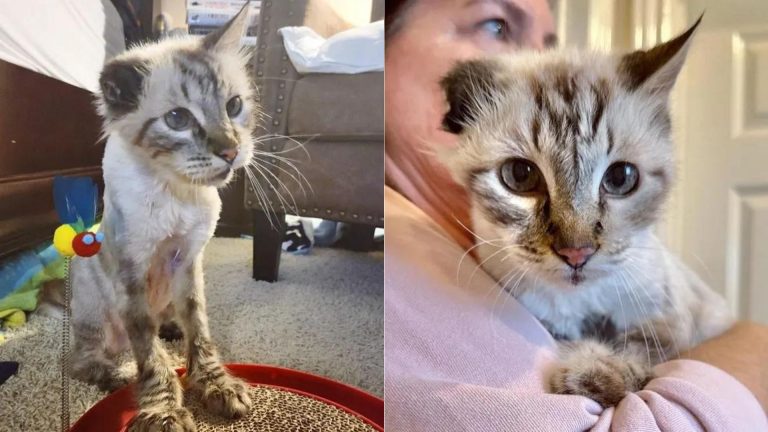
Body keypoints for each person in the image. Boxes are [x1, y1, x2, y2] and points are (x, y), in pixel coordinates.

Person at [383, 0, 768, 430]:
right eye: (497, 26)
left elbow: (687, 324)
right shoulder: (394, 264)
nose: (576, 243)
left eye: (620, 178)